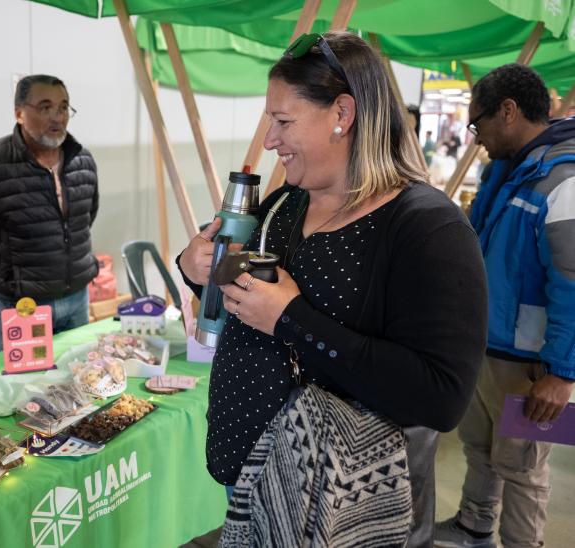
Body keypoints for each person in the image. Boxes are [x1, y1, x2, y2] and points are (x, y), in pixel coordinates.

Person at [177, 32, 488, 547]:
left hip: (341, 509)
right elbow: (241, 294)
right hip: (254, 487)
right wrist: (196, 268)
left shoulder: (427, 228)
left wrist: (291, 318)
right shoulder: (283, 204)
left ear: (342, 113)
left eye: (283, 121)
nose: (271, 140)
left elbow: (440, 398)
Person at [434, 64, 575, 548]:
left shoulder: (563, 179)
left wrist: (562, 373)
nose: (476, 137)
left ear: (508, 112)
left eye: (478, 124)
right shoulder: (507, 173)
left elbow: (573, 281)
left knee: (522, 467)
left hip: (529, 362)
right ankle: (475, 524)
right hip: (487, 344)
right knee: (480, 446)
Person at [0, 75, 98, 353]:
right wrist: (7, 271)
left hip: (77, 300)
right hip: (22, 306)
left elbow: (84, 220)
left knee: (81, 384)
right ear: (19, 113)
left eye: (63, 107)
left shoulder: (82, 160)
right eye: (45, 107)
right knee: (19, 391)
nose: (56, 117)